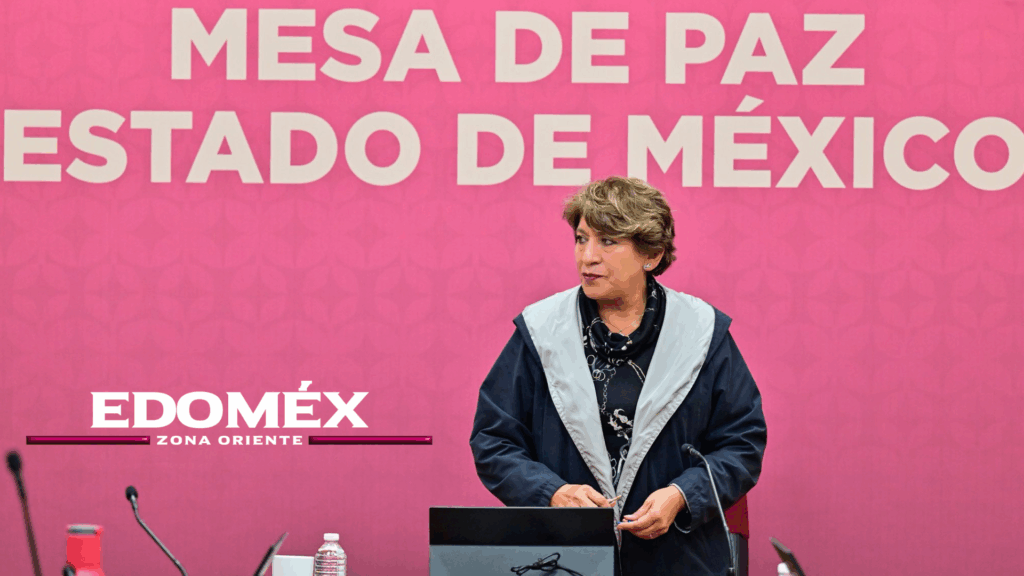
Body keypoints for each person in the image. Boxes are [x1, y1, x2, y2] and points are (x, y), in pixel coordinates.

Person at [469, 176, 767, 575]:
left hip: (679, 560)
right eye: (581, 239)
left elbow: (742, 443)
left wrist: (682, 495)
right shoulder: (541, 331)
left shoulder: (701, 332)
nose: (588, 257)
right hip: (566, 559)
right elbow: (493, 440)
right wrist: (551, 492)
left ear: (652, 255)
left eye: (608, 241)